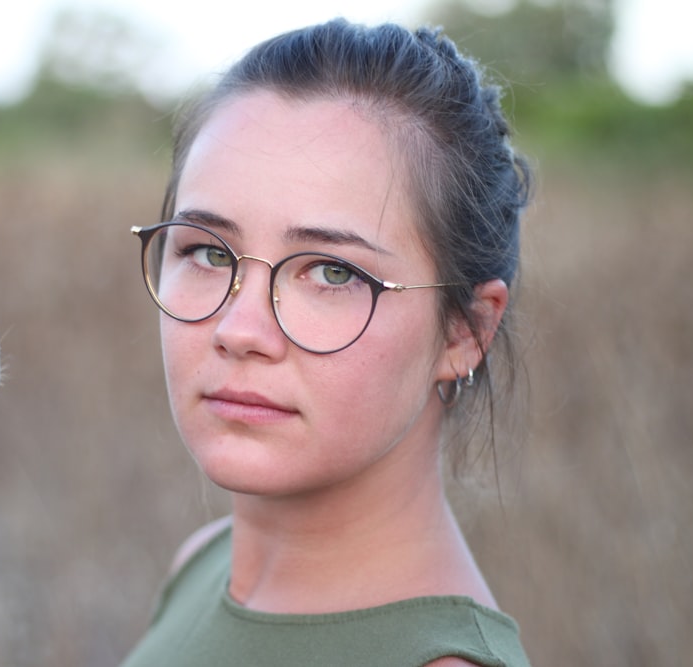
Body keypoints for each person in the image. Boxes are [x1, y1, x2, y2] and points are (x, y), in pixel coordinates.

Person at [123, 18, 532, 667]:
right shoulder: (203, 563)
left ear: (466, 330)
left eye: (332, 272)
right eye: (207, 252)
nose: (239, 331)